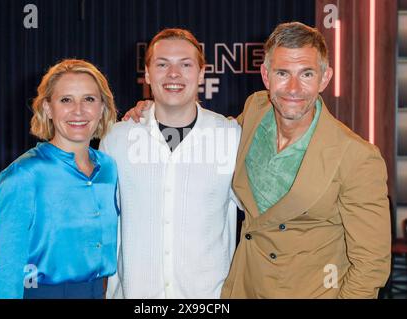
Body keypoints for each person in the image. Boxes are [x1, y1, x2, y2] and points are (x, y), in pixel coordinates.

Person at [125, 22, 391, 299]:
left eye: (307, 74)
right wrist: (153, 111)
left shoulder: (358, 157)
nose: (293, 88)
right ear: (266, 76)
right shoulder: (254, 111)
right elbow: (205, 135)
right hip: (243, 287)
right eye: (282, 73)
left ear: (325, 78)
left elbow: (371, 264)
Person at [99, 28, 241, 298]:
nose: (173, 74)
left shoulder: (231, 137)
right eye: (162, 64)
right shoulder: (116, 139)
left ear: (201, 73)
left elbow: (261, 214)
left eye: (185, 65)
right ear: (148, 73)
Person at [0, 59, 119, 299]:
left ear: (102, 108)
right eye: (66, 100)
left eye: (89, 99)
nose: (78, 110)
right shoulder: (24, 174)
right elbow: (4, 273)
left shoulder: (110, 167)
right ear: (48, 108)